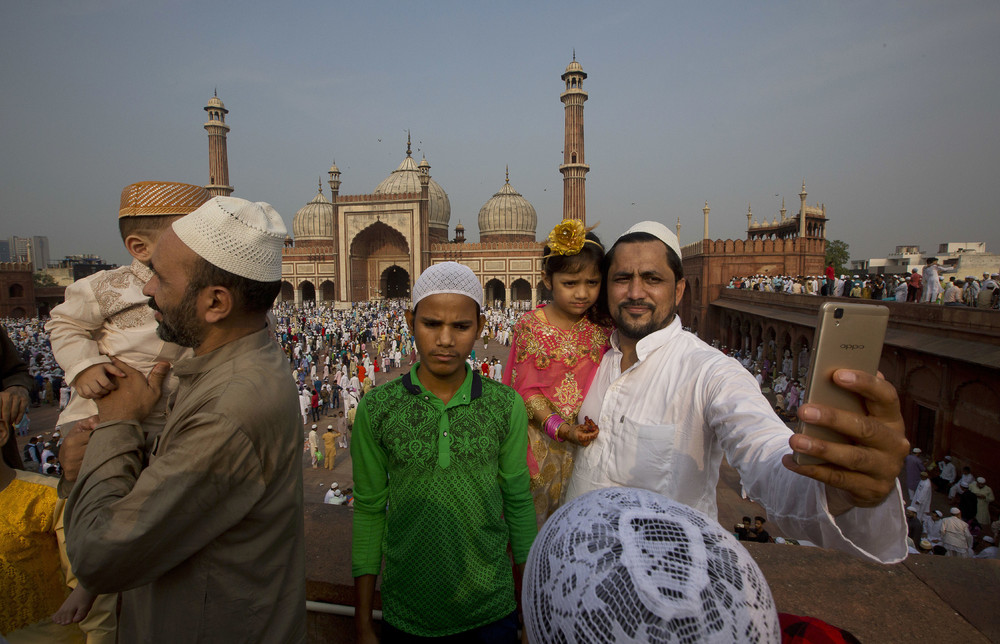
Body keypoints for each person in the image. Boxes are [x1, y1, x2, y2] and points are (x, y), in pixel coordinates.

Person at [565, 221, 909, 563]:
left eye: (652, 279)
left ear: (680, 290)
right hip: (578, 562)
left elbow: (765, 452)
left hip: (666, 577)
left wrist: (838, 488)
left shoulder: (709, 371)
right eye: (622, 278)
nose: (636, 292)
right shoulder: (587, 358)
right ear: (606, 288)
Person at [59, 196, 306, 642]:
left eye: (161, 277)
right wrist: (106, 452)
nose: (148, 290)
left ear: (215, 302)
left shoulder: (230, 407)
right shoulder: (209, 370)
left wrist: (116, 425)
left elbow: (98, 556)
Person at [352, 262, 536, 642]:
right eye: (432, 324)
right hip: (407, 611)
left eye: (461, 326)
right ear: (410, 321)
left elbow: (518, 505)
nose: (446, 339)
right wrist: (363, 621)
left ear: (481, 328)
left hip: (491, 608)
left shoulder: (505, 405)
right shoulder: (379, 407)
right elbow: (369, 510)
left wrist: (527, 609)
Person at [46, 181, 212, 439]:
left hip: (171, 423)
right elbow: (64, 323)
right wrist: (85, 365)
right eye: (193, 238)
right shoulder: (108, 287)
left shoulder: (204, 287)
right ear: (140, 247)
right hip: (97, 414)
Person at [502, 219, 611, 527]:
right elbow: (524, 392)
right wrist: (563, 430)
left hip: (588, 448)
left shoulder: (603, 327)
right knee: (533, 533)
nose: (582, 293)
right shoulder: (532, 326)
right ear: (547, 280)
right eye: (570, 283)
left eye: (592, 283)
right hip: (539, 446)